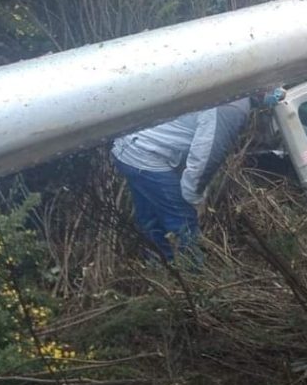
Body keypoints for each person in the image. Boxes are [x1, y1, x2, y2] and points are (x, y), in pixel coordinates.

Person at [111, 89, 281, 264]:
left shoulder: (226, 86)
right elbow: (207, 159)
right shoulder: (231, 108)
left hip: (129, 145)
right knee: (182, 223)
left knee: (151, 218)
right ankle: (192, 273)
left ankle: (159, 266)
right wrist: (193, 196)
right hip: (146, 154)